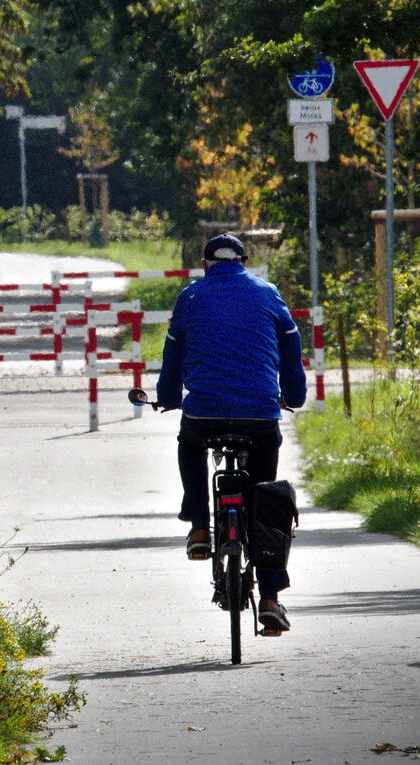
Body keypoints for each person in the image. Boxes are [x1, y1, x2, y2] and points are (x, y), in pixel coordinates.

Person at [156, 232, 308, 633]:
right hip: (259, 416)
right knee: (265, 500)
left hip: (203, 414)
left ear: (205, 265)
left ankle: (201, 527)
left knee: (188, 443)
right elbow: (291, 352)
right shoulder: (268, 293)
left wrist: (167, 398)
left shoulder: (191, 297)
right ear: (243, 262)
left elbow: (173, 358)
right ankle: (272, 598)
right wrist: (294, 396)